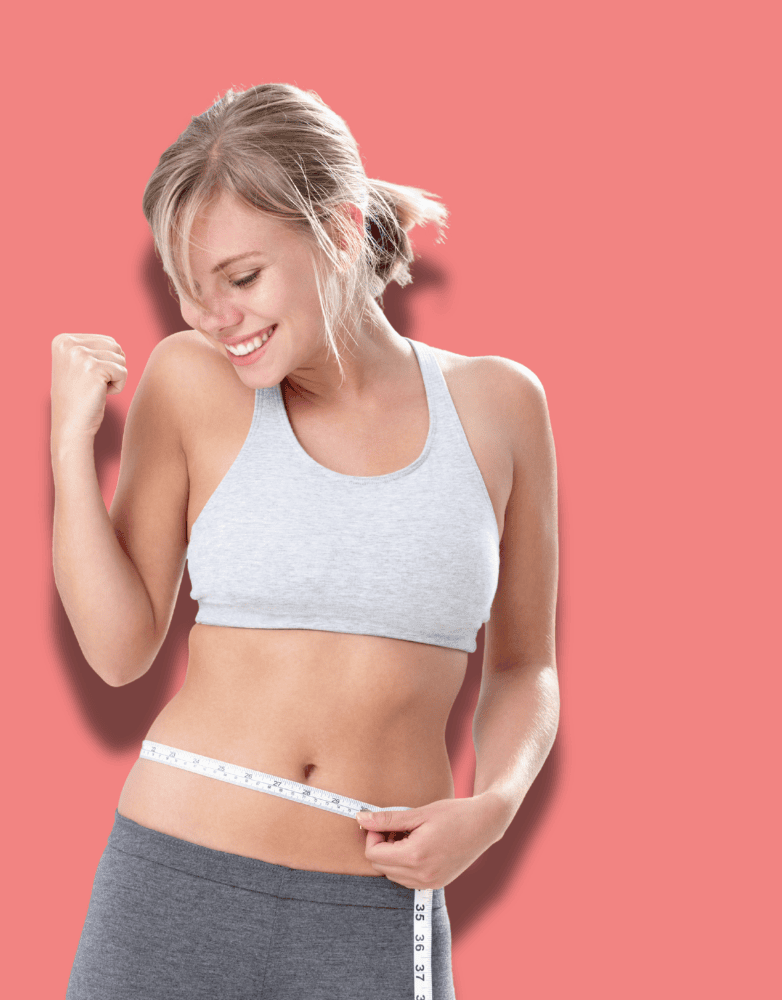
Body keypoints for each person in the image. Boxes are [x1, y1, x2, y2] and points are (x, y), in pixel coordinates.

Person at [51, 83, 559, 1000]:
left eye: (241, 279)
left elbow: (525, 664)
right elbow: (120, 651)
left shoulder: (500, 408)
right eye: (189, 290)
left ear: (338, 227)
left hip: (372, 907)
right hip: (175, 876)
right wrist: (67, 451)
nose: (215, 318)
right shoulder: (192, 382)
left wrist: (494, 807)